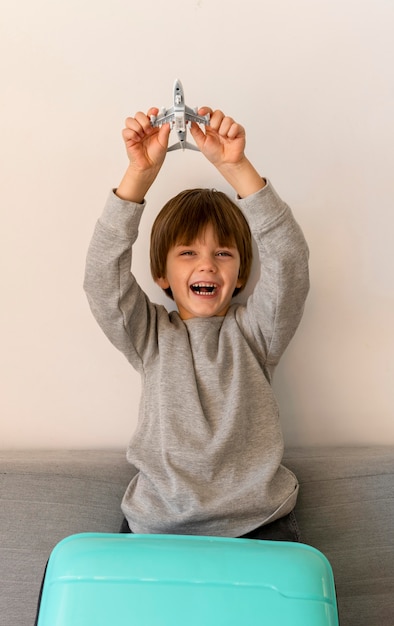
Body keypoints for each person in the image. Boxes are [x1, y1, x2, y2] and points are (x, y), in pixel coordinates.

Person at [83, 106, 310, 541]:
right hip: (157, 526)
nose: (206, 265)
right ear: (162, 275)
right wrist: (138, 176)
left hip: (259, 524)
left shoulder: (256, 334)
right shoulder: (149, 337)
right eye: (188, 253)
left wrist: (236, 167)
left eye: (222, 253)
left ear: (241, 274)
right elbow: (101, 278)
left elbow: (290, 260)